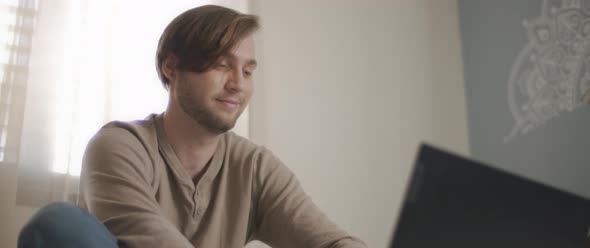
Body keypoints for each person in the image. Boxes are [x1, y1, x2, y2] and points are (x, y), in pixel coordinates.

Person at [18, 5, 367, 248]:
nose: (238, 84)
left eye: (247, 71)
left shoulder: (255, 167)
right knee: (57, 222)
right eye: (221, 65)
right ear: (172, 68)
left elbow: (329, 240)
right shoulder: (119, 145)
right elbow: (149, 237)